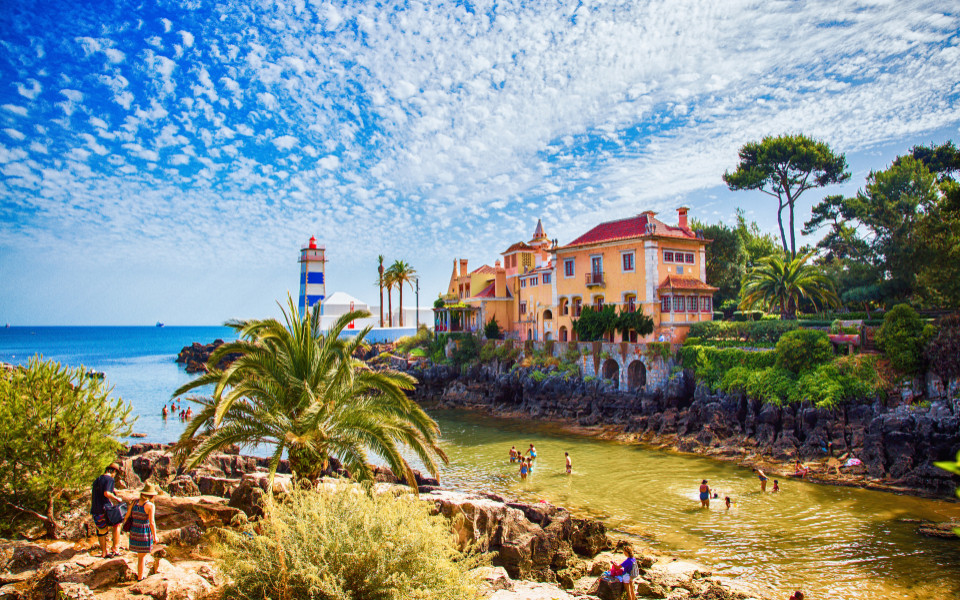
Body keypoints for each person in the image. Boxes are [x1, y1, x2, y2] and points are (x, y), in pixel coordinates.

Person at [124, 483, 159, 581]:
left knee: (140, 556)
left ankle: (140, 575)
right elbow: (152, 522)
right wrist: (155, 536)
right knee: (142, 556)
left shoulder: (134, 502)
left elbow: (127, 516)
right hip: (144, 531)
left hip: (134, 530)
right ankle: (140, 577)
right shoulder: (150, 506)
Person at [91, 463, 123, 559]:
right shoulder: (109, 479)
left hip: (96, 509)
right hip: (106, 509)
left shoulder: (97, 479)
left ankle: (104, 553)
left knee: (101, 530)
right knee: (117, 524)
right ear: (114, 471)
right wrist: (117, 499)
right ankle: (115, 549)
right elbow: (106, 493)